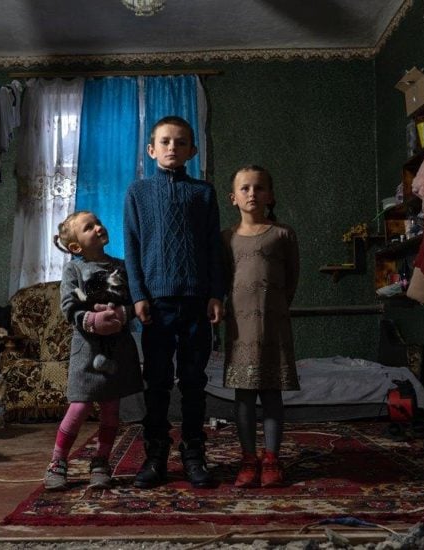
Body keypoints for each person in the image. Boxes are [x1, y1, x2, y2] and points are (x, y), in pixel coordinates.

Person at [123, 116, 226, 489]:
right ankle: (155, 454)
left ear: (192, 151)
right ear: (152, 150)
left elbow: (214, 246)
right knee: (157, 381)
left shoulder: (203, 193)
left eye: (180, 143)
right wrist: (138, 296)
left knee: (194, 380)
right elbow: (131, 247)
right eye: (165, 142)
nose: (172, 148)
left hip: (197, 300)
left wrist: (216, 293)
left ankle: (194, 451)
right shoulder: (137, 192)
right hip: (156, 304)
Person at [43, 211, 144, 491]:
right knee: (79, 406)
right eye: (89, 227)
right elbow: (69, 306)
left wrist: (121, 315)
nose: (98, 227)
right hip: (87, 350)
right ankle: (57, 461)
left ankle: (101, 461)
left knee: (111, 410)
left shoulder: (122, 267)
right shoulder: (73, 270)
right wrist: (91, 320)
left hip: (117, 350)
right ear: (76, 247)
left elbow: (134, 300)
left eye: (98, 222)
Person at [222, 165, 299, 488]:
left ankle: (271, 458)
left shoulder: (282, 234)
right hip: (239, 328)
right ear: (233, 198)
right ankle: (248, 458)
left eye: (259, 188)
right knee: (243, 395)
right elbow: (223, 280)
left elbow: (292, 279)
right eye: (245, 188)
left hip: (273, 325)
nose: (251, 193)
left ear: (270, 195)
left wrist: (275, 309)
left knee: (271, 393)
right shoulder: (225, 238)